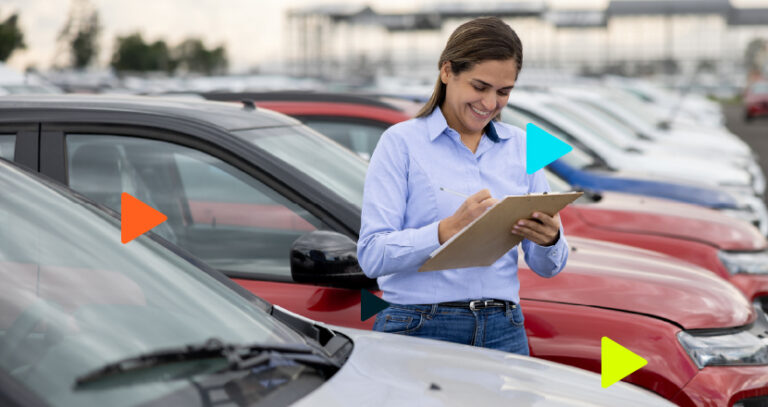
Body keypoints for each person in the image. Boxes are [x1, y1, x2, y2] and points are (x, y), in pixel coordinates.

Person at [357, 17, 568, 355]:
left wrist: (550, 239)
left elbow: (548, 267)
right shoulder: (401, 143)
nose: (490, 103)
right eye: (479, 87)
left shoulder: (521, 147)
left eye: (504, 92)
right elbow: (372, 256)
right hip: (420, 326)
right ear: (447, 71)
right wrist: (448, 229)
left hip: (504, 328)